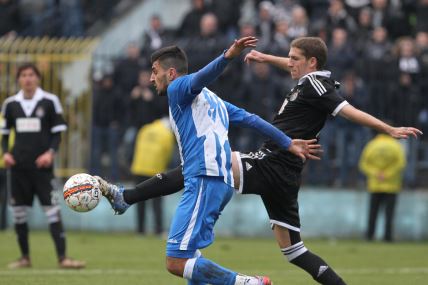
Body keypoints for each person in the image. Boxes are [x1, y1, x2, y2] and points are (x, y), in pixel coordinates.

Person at [97, 37, 423, 284]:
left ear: (311, 62)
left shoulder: (314, 84)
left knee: (201, 175)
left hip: (267, 163)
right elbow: (253, 117)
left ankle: (127, 197)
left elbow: (346, 109)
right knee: (294, 251)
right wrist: (288, 140)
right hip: (287, 168)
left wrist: (386, 127)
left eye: (294, 58)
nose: (288, 63)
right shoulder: (295, 84)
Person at [97, 37, 321, 285]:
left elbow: (200, 78)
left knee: (175, 262)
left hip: (205, 179)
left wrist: (229, 55)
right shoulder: (213, 101)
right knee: (191, 258)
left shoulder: (177, 88)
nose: (151, 78)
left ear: (171, 73)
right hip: (218, 181)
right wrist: (287, 142)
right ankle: (124, 197)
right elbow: (252, 119)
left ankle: (247, 283)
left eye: (155, 71)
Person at [1, 63, 85, 269]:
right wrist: (6, 154)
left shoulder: (49, 101)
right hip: (18, 169)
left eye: (31, 75)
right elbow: (4, 135)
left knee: (53, 211)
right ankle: (24, 258)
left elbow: (57, 133)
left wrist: (50, 153)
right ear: (19, 79)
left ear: (37, 78)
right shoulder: (11, 104)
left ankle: (63, 258)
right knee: (19, 214)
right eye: (23, 75)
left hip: (43, 170)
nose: (28, 79)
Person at [130, 117, 175, 235]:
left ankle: (140, 230)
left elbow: (136, 147)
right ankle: (158, 230)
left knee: (140, 200)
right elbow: (168, 153)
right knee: (157, 201)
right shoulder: (167, 134)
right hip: (155, 170)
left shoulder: (144, 129)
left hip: (139, 168)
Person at [359, 133, 406, 242]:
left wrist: (376, 173)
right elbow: (401, 163)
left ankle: (369, 236)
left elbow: (363, 164)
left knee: (372, 213)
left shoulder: (371, 145)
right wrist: (387, 174)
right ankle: (388, 237)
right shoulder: (396, 145)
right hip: (391, 186)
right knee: (389, 214)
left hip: (375, 185)